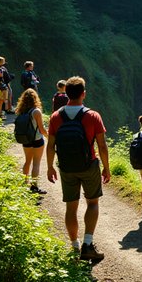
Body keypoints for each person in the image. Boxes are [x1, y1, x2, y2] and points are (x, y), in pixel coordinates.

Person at [46, 76, 110, 262]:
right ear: (83, 94)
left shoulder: (56, 116)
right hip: (89, 164)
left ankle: (74, 247)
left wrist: (50, 167)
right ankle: (87, 245)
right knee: (92, 203)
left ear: (66, 93)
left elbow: (50, 145)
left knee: (71, 206)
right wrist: (106, 168)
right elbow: (102, 146)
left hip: (66, 167)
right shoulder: (93, 116)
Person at [16, 88, 49, 194]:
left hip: (26, 139)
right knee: (36, 163)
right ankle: (34, 187)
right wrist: (49, 137)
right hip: (37, 140)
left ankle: (24, 183)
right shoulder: (36, 111)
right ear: (35, 98)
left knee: (27, 161)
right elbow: (41, 129)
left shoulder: (21, 111)